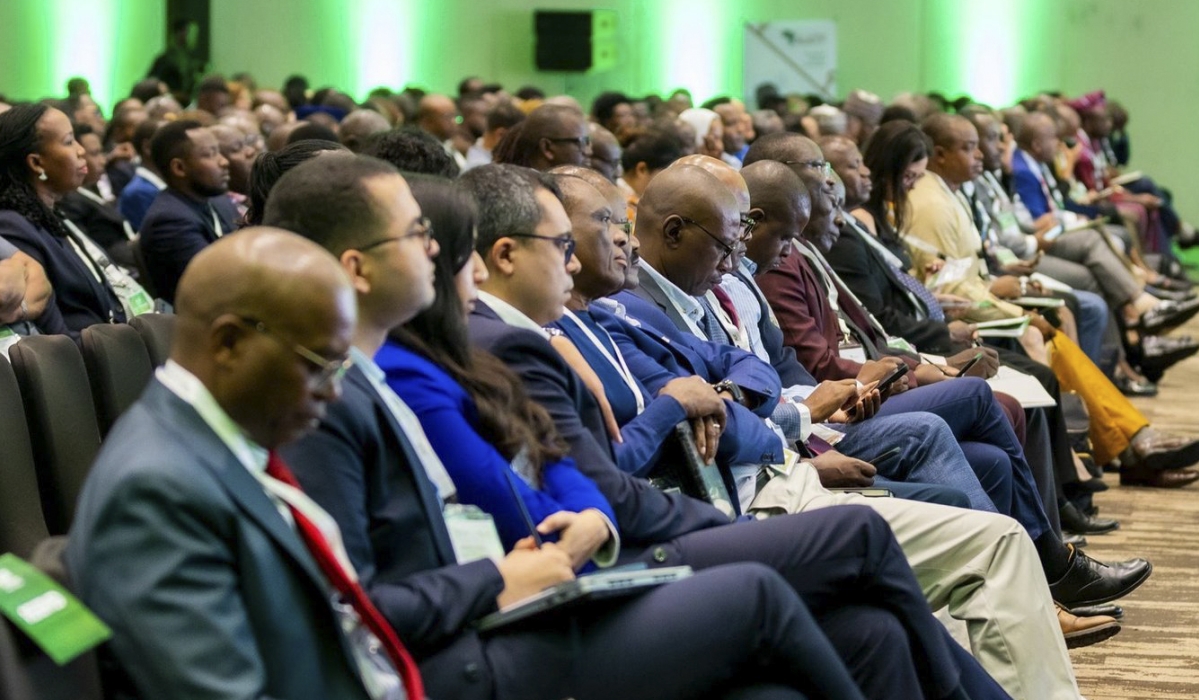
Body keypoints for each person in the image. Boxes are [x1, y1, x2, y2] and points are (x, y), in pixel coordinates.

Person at [266, 155, 894, 700]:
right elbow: (356, 601)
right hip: (474, 646)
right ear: (358, 268)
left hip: (540, 585)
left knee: (860, 637)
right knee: (782, 578)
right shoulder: (340, 396)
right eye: (419, 237)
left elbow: (544, 473)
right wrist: (506, 573)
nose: (457, 264)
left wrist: (584, 522)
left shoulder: (401, 368)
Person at [461, 163, 1020, 700]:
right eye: (573, 237)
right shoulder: (525, 340)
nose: (618, 241)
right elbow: (611, 474)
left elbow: (749, 372)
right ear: (504, 256)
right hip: (643, 536)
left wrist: (724, 400)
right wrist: (677, 412)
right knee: (868, 532)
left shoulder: (596, 317)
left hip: (713, 489)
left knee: (874, 628)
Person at [67, 228, 422, 700]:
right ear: (230, 343)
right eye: (317, 366)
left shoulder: (224, 441)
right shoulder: (156, 490)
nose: (334, 392)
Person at [0, 103, 125, 338]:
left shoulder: (50, 213)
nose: (81, 150)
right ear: (37, 163)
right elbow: (52, 336)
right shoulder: (13, 226)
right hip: (88, 354)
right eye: (69, 142)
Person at [138, 120, 237, 304]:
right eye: (210, 154)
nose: (224, 161)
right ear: (179, 168)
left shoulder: (219, 201)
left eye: (219, 151)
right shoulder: (168, 221)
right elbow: (217, 282)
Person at [492, 103, 593, 170]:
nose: (589, 152)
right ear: (547, 148)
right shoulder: (522, 193)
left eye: (588, 141)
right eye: (582, 142)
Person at [116, 119, 167, 230]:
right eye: (169, 140)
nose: (179, 146)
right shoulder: (139, 192)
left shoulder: (157, 184)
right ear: (147, 147)